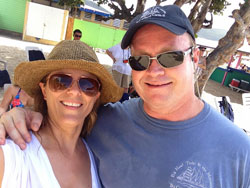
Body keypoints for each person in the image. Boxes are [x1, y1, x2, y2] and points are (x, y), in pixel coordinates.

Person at [0, 5, 250, 188]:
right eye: (140, 59)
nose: (154, 70)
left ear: (195, 59)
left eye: (170, 56)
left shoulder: (240, 152)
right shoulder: (106, 121)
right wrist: (14, 115)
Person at [0, 40, 122, 187]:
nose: (75, 91)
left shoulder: (98, 158)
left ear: (96, 96)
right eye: (61, 81)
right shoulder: (11, 155)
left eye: (88, 85)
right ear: (44, 90)